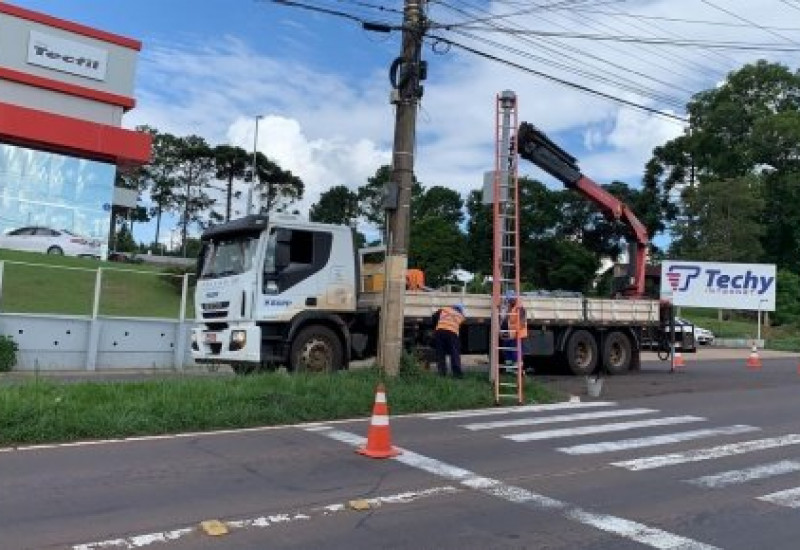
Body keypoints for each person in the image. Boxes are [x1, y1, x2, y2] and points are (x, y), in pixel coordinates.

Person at [433, 303, 466, 378]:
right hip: (452, 333)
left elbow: (434, 317)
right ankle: (457, 374)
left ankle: (441, 373)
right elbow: (460, 325)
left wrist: (436, 326)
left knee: (440, 353)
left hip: (440, 332)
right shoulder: (461, 316)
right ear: (460, 310)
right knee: (454, 353)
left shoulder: (444, 309)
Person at [501, 290, 528, 366]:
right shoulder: (512, 307)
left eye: (510, 300)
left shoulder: (520, 308)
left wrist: (513, 329)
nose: (509, 301)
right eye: (508, 300)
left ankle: (518, 367)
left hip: (518, 333)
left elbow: (522, 323)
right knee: (508, 349)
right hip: (513, 333)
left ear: (514, 299)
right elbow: (507, 320)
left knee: (516, 351)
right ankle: (510, 366)